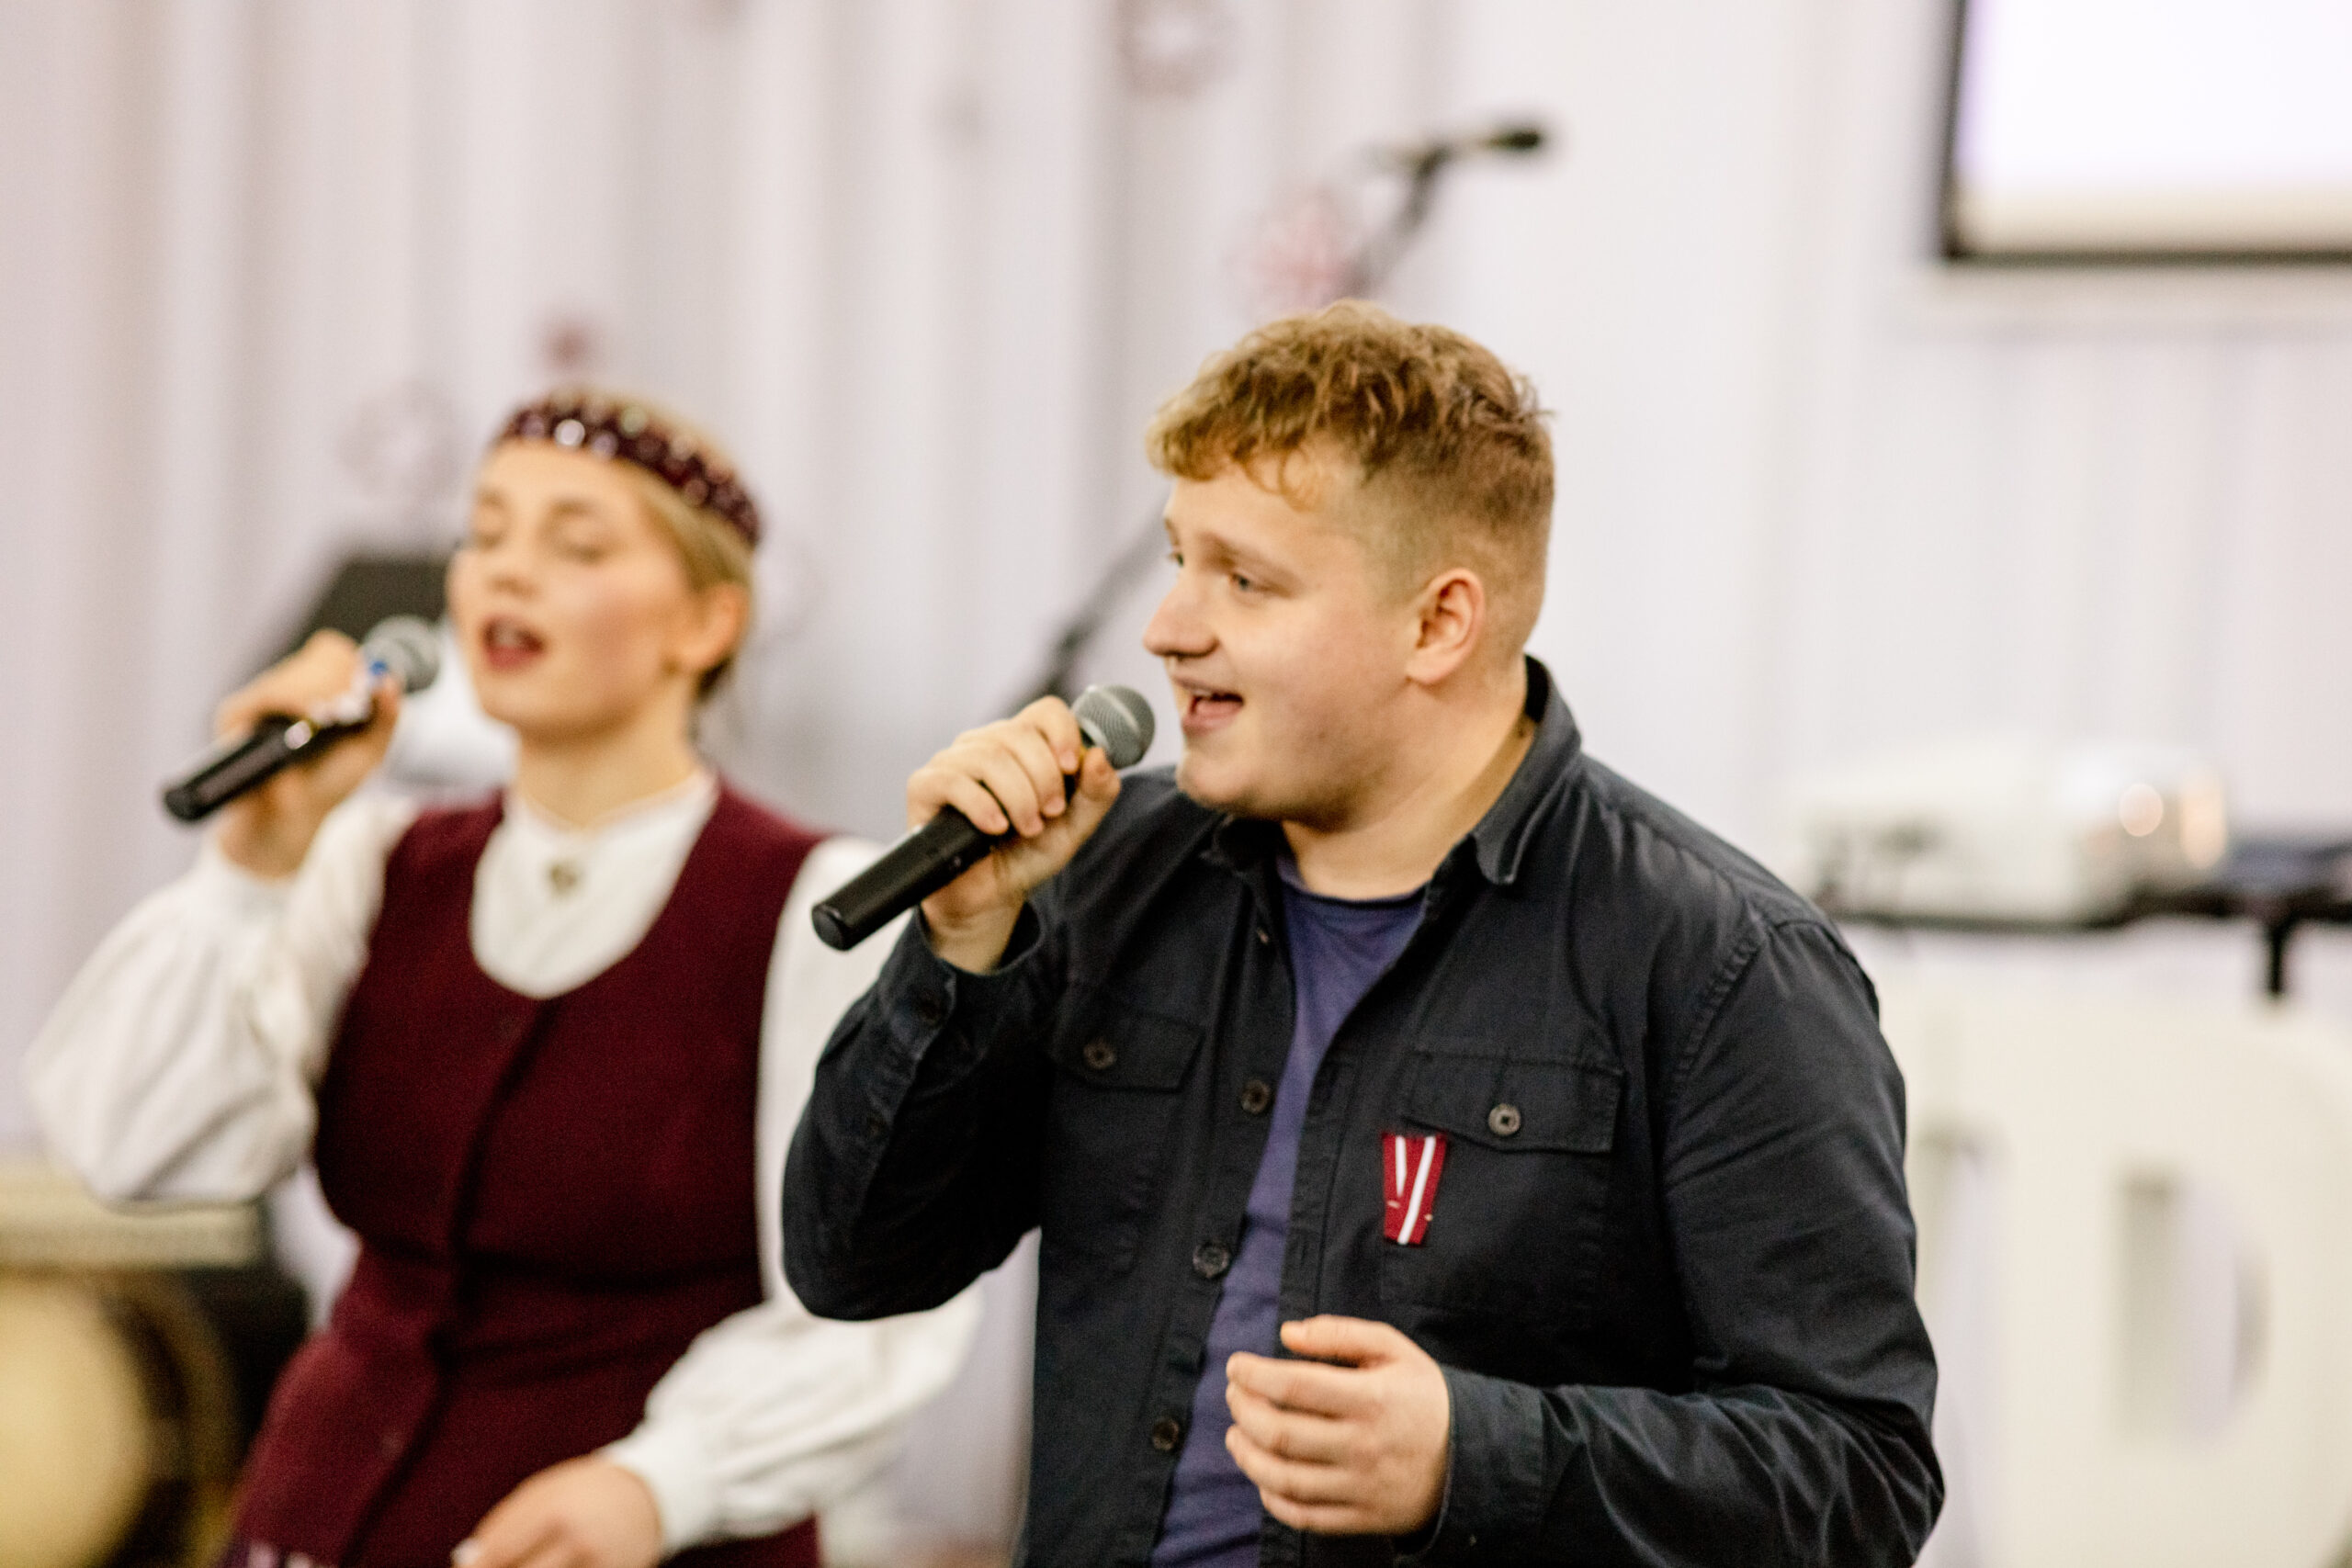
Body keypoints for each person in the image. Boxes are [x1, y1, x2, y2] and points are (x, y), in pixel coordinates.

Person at [782, 304, 1942, 1566]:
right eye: (1180, 559)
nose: (1168, 628)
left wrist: (1473, 1455)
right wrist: (963, 942)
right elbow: (853, 1263)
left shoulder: (1722, 961)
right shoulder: (1100, 870)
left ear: (1438, 624)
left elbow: (1859, 1477)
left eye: (1244, 580)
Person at [29, 390, 979, 1568]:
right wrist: (248, 868)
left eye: (575, 545)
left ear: (705, 622)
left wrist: (660, 1483)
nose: (507, 573)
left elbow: (879, 1303)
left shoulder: (814, 906)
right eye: (484, 535)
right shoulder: (375, 862)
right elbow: (129, 1148)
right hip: (318, 1518)